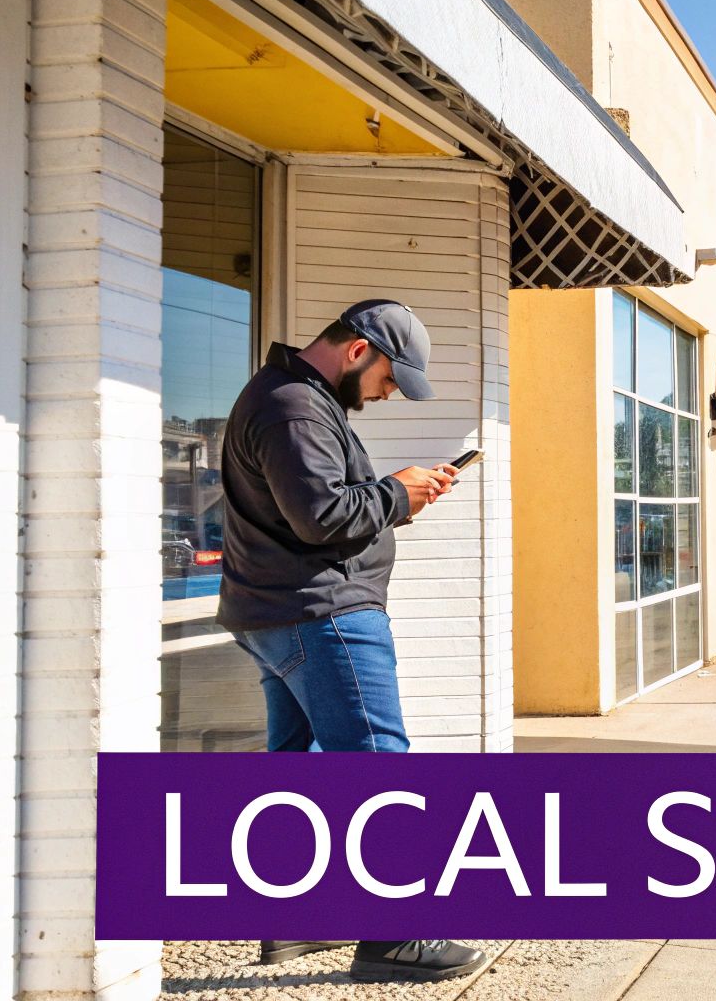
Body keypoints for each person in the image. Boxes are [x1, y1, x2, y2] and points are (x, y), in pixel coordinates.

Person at [216, 299, 486, 982]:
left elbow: (320, 507)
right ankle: (397, 934)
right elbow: (321, 517)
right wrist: (396, 493)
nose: (390, 393)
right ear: (359, 351)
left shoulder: (289, 399)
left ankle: (298, 920)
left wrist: (402, 493)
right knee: (376, 767)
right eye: (391, 379)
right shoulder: (295, 408)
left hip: (285, 614)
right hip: (325, 615)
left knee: (300, 771)